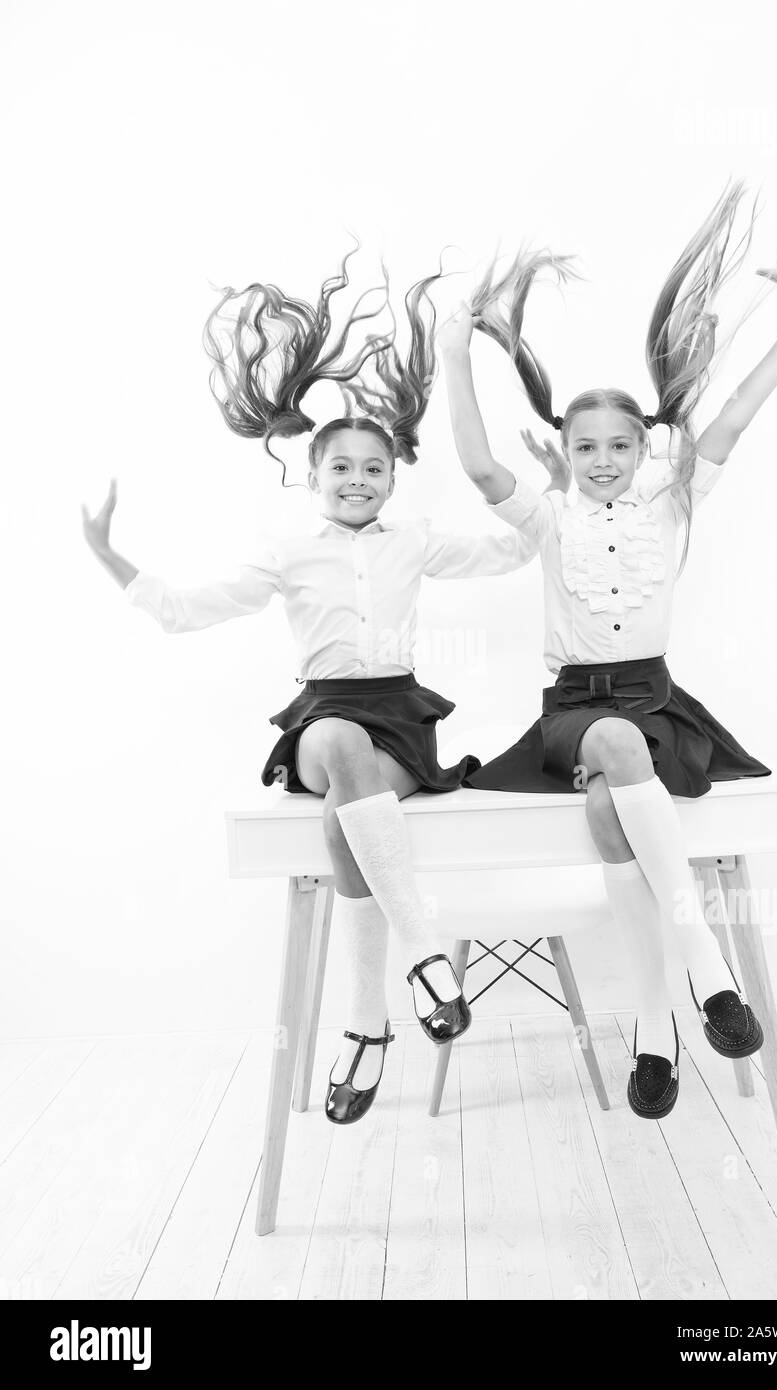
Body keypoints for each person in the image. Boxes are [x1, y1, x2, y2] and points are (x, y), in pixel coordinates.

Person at [82, 254, 537, 1126]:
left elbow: (512, 553)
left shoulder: (415, 542)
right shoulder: (285, 552)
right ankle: (422, 956)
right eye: (342, 470)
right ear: (314, 476)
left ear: (392, 478)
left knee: (345, 817)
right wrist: (110, 556)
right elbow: (187, 609)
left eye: (373, 469)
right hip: (326, 713)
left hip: (401, 720)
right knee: (333, 743)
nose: (358, 480)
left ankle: (365, 1028)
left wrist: (539, 492)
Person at [439, 183, 777, 1118]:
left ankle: (654, 1025)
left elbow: (734, 412)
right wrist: (454, 351)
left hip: (655, 703)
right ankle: (705, 965)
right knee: (606, 748)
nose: (602, 459)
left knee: (613, 813)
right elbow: (481, 463)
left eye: (618, 444)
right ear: (560, 449)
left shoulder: (672, 501)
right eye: (583, 445)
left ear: (643, 445)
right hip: (576, 707)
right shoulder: (547, 515)